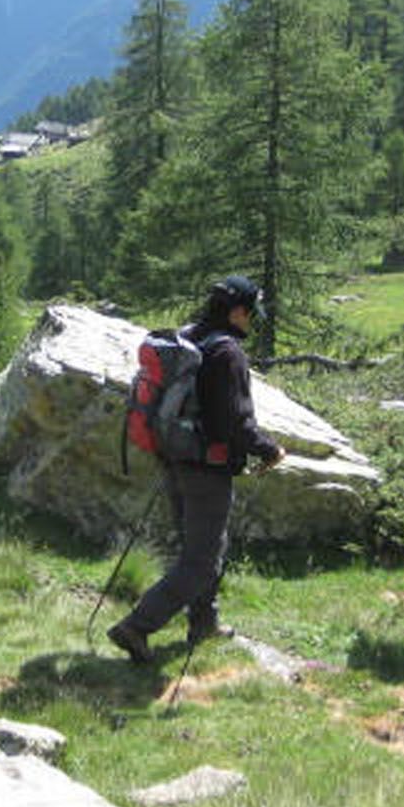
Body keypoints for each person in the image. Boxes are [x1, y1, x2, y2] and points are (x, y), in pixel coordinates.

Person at [107, 275, 286, 663]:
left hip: (174, 457)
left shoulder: (188, 337)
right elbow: (235, 423)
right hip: (207, 468)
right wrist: (269, 450)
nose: (251, 320)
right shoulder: (227, 353)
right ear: (236, 312)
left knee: (199, 550)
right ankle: (137, 626)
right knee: (202, 561)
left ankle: (204, 622)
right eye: (250, 312)